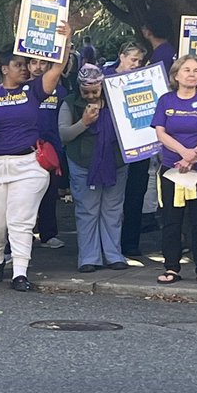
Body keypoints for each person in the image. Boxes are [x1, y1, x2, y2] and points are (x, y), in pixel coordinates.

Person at [0, 25, 70, 291]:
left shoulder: (33, 90)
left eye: (26, 65)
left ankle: (20, 273)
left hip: (27, 164)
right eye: (18, 65)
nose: (25, 69)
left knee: (20, 221)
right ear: (4, 69)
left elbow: (57, 68)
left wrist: (65, 39)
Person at [150, 55, 197, 287]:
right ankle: (171, 266)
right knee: (171, 219)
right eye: (187, 70)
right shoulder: (166, 100)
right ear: (176, 75)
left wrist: (194, 155)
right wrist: (183, 153)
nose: (192, 74)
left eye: (196, 71)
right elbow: (160, 132)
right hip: (172, 169)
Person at [60, 65, 128, 274]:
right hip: (82, 163)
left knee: (113, 210)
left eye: (95, 91)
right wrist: (84, 122)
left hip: (115, 162)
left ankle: (114, 255)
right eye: (85, 92)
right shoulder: (69, 103)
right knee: (87, 211)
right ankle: (89, 258)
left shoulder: (116, 100)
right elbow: (64, 135)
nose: (90, 96)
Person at [103, 43, 151, 256]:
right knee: (111, 196)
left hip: (139, 143)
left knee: (136, 192)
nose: (136, 64)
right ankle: (108, 244)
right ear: (121, 57)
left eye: (139, 61)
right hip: (112, 144)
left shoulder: (145, 78)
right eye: (133, 59)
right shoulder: (104, 77)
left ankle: (130, 242)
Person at [30, 56, 67, 250]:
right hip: (27, 149)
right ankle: (25, 233)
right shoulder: (22, 90)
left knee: (50, 193)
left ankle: (48, 234)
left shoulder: (60, 92)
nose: (37, 67)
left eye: (42, 63)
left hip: (52, 150)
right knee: (25, 195)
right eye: (33, 63)